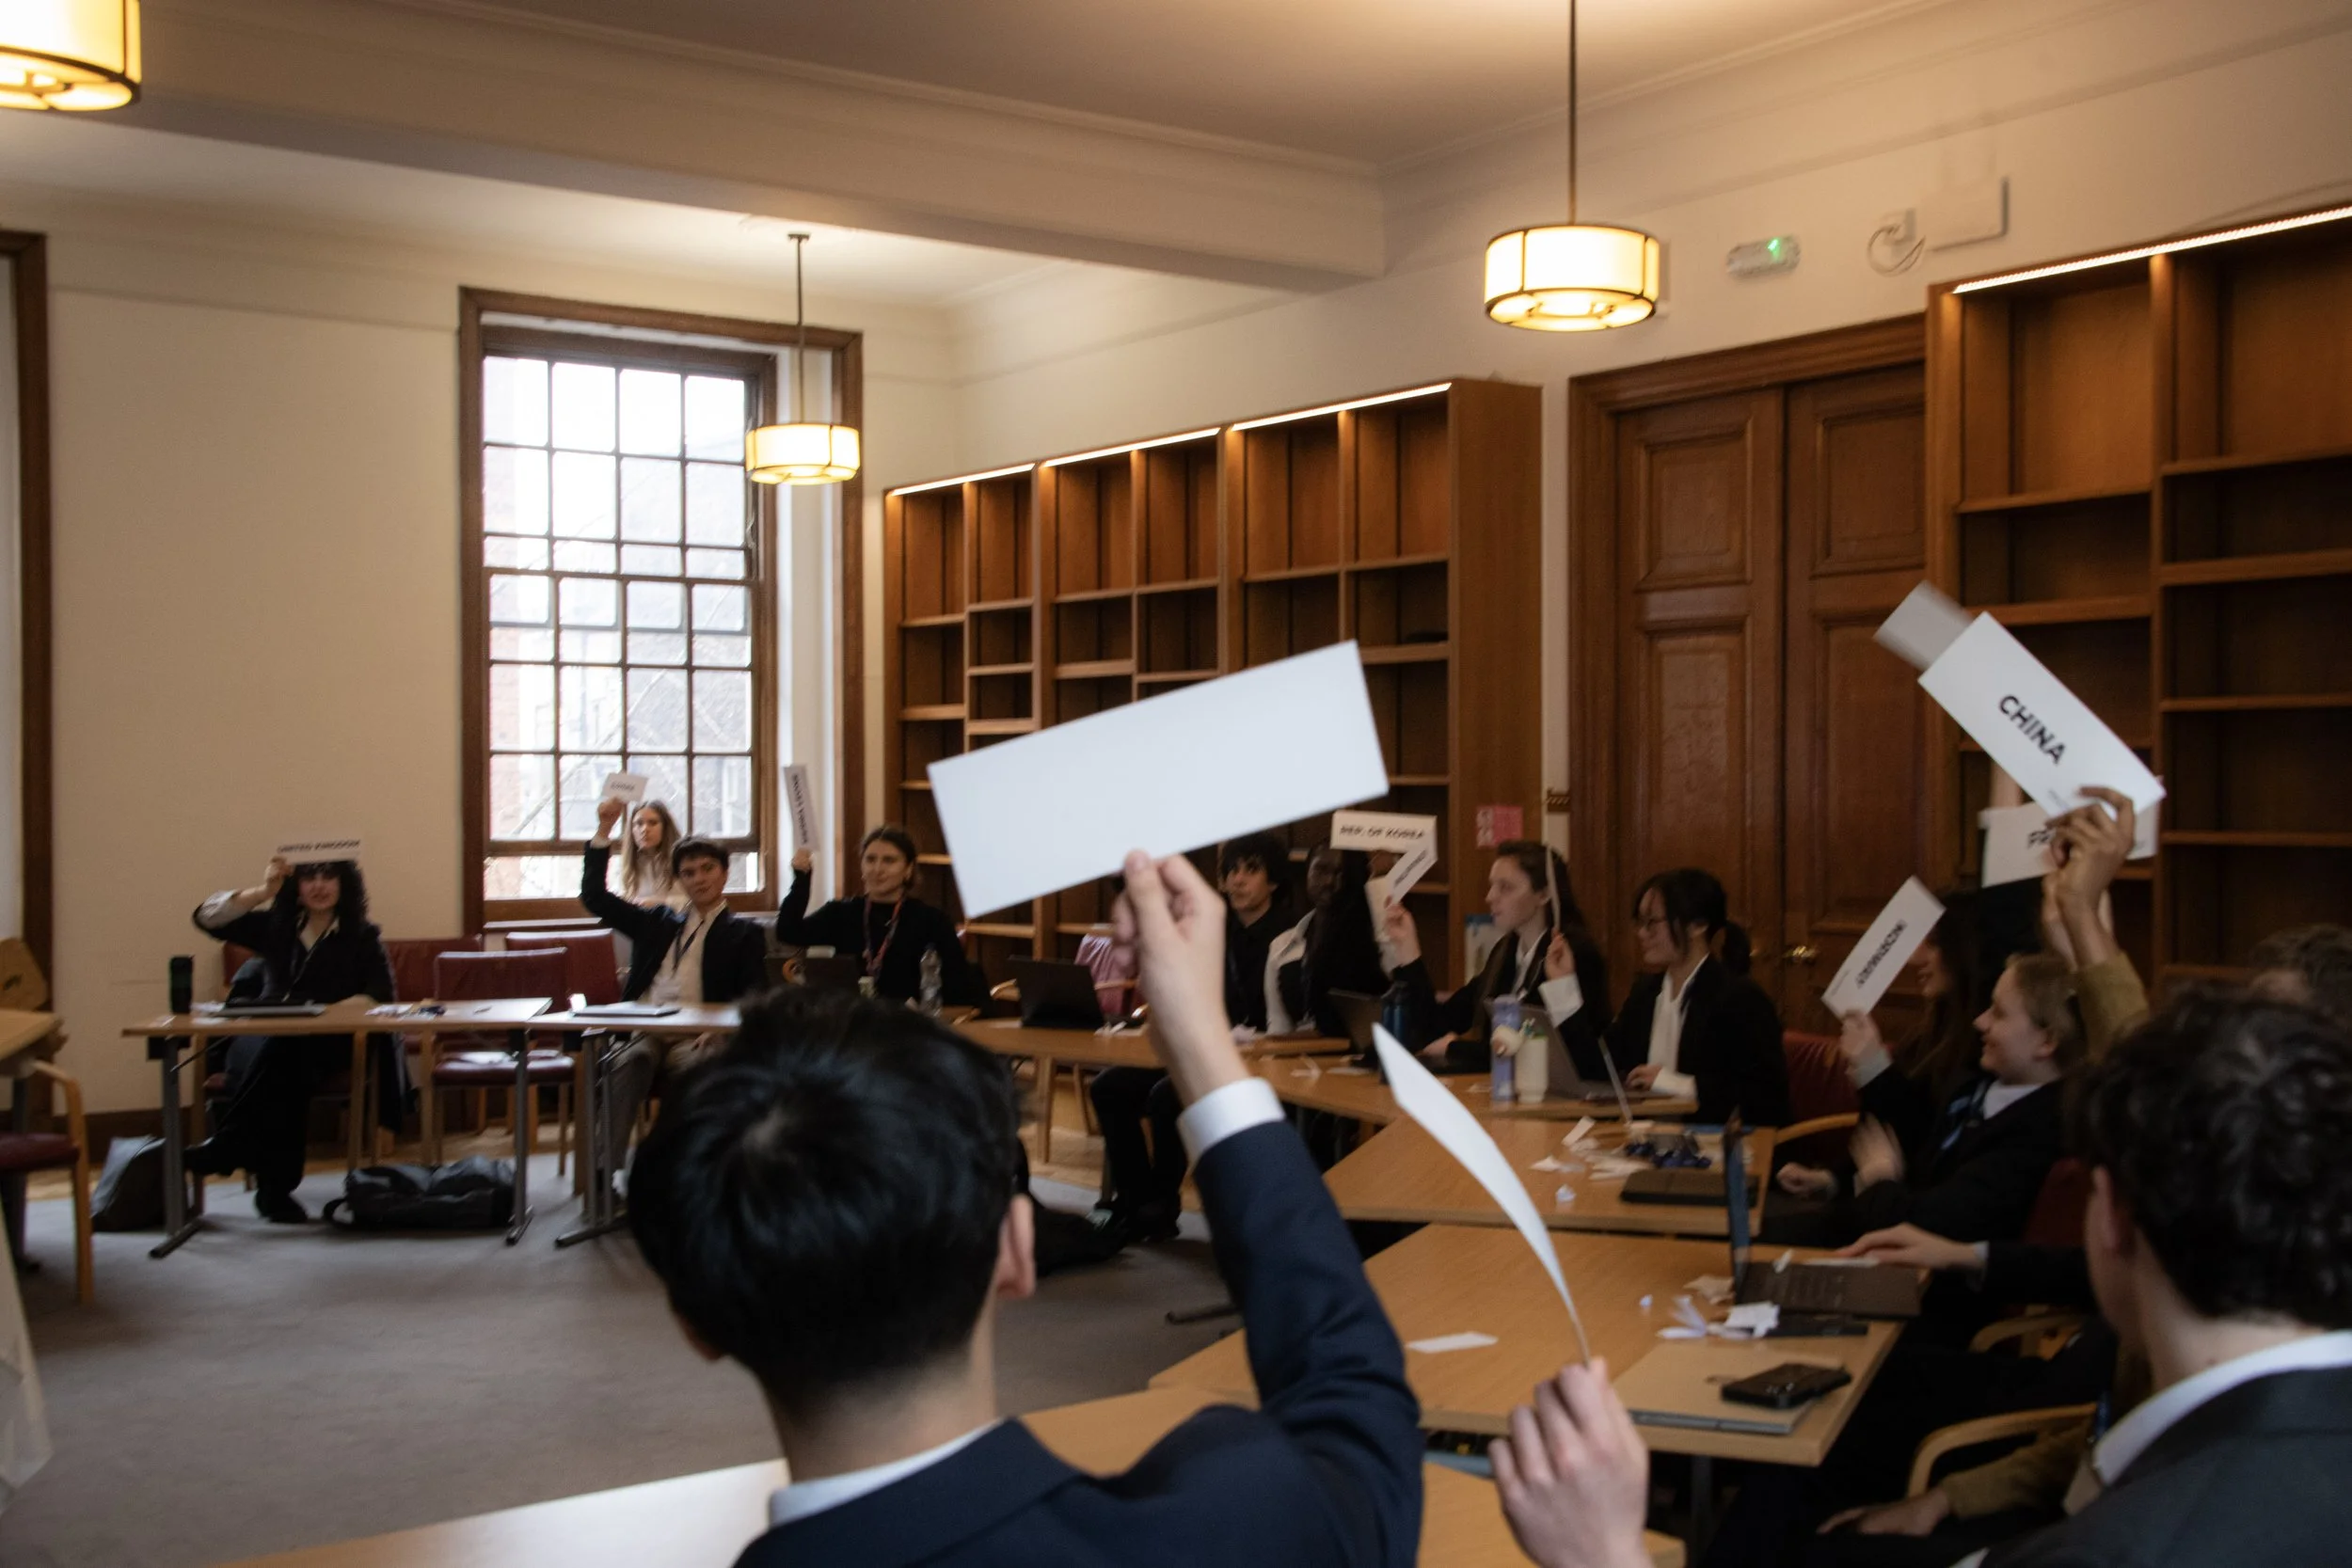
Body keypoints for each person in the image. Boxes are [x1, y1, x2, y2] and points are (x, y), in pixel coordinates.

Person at [628, 848, 1424, 1568]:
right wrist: (1201, 1049)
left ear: (691, 1315)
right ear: (1015, 1248)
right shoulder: (1243, 1518)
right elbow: (1354, 1415)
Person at [1779, 953, 2077, 1244]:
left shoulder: (2039, 1131)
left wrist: (1881, 1179)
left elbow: (1939, 1224)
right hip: (1861, 1221)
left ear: (2047, 1041)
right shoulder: (1978, 1083)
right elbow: (1914, 1141)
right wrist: (1832, 1181)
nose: (1980, 1022)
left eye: (1998, 1013)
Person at [1089, 835, 1290, 1243]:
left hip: (1258, 1061)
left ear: (1274, 882)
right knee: (1108, 1086)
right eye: (1231, 871)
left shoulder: (1287, 937)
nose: (1237, 880)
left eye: (1251, 870)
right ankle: (1135, 1199)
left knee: (1167, 1094)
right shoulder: (1213, 931)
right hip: (1204, 1049)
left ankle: (1161, 1203)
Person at [185, 857, 399, 1222]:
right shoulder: (276, 926)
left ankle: (231, 1147)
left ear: (344, 884)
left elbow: (381, 994)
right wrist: (263, 892)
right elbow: (206, 918)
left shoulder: (362, 935)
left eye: (328, 876)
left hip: (328, 1043)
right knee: (284, 1060)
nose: (319, 885)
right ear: (294, 886)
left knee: (288, 1054)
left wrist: (326, 1012)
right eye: (308, 877)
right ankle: (273, 1191)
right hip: (267, 1038)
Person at [581, 797, 771, 1168]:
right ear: (679, 878)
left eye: (706, 869)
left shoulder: (743, 933)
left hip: (699, 1036)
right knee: (626, 1064)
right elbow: (595, 898)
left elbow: (755, 993)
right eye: (688, 872)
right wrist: (604, 830)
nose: (698, 879)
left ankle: (684, 1175)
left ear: (724, 872)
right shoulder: (657, 921)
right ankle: (604, 1178)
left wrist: (723, 1032)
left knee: (699, 1072)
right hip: (646, 1030)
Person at [1382, 841, 1612, 1080]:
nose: (1490, 897)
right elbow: (1436, 1023)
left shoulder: (1573, 955)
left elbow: (1540, 1049)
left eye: (1506, 888)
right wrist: (1408, 949)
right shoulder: (1505, 952)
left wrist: (1456, 1048)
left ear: (1543, 894)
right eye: (1492, 886)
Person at [1602, 869, 1790, 1125]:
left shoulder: (1740, 998)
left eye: (1652, 923)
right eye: (1639, 922)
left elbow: (1763, 1097)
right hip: (1648, 1140)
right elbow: (1604, 1064)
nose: (1641, 933)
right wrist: (1563, 988)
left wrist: (1674, 1083)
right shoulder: (1645, 992)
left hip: (1718, 1147)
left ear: (1697, 926)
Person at [773, 826, 983, 1006]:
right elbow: (788, 931)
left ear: (908, 870)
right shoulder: (842, 912)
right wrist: (801, 880)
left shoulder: (932, 921)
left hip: (910, 1027)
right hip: (855, 1024)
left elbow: (958, 988)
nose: (877, 869)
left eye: (889, 861)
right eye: (870, 860)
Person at [1269, 846, 1390, 1037]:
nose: (1330, 881)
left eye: (1342, 873)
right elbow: (1278, 1026)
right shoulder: (1283, 945)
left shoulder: (1377, 939)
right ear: (1307, 871)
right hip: (1299, 1060)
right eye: (1321, 870)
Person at [617, 800, 689, 909]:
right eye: (639, 824)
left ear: (665, 827)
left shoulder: (681, 860)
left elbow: (692, 903)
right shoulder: (629, 864)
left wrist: (659, 904)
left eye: (653, 823)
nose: (645, 829)